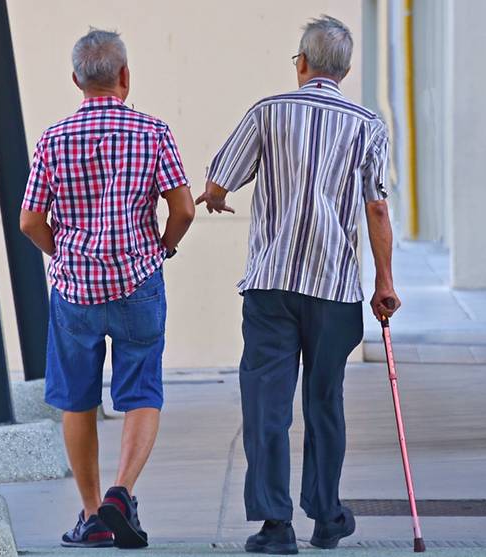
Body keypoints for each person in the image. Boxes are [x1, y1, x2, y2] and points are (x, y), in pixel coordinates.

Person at [196, 15, 400, 555]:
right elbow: (377, 208)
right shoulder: (366, 124)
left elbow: (220, 180)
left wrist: (216, 198)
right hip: (334, 288)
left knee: (267, 402)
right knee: (324, 401)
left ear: (302, 64)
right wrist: (384, 280)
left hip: (272, 285)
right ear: (347, 69)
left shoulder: (268, 111)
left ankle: (274, 524)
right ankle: (327, 516)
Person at [19, 28, 195, 550]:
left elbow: (30, 220)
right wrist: (163, 245)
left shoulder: (53, 139)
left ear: (76, 80)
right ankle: (123, 492)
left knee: (76, 399)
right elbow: (183, 208)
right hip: (138, 280)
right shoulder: (153, 131)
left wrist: (64, 253)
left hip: (76, 290)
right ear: (124, 76)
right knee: (141, 391)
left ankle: (93, 514)